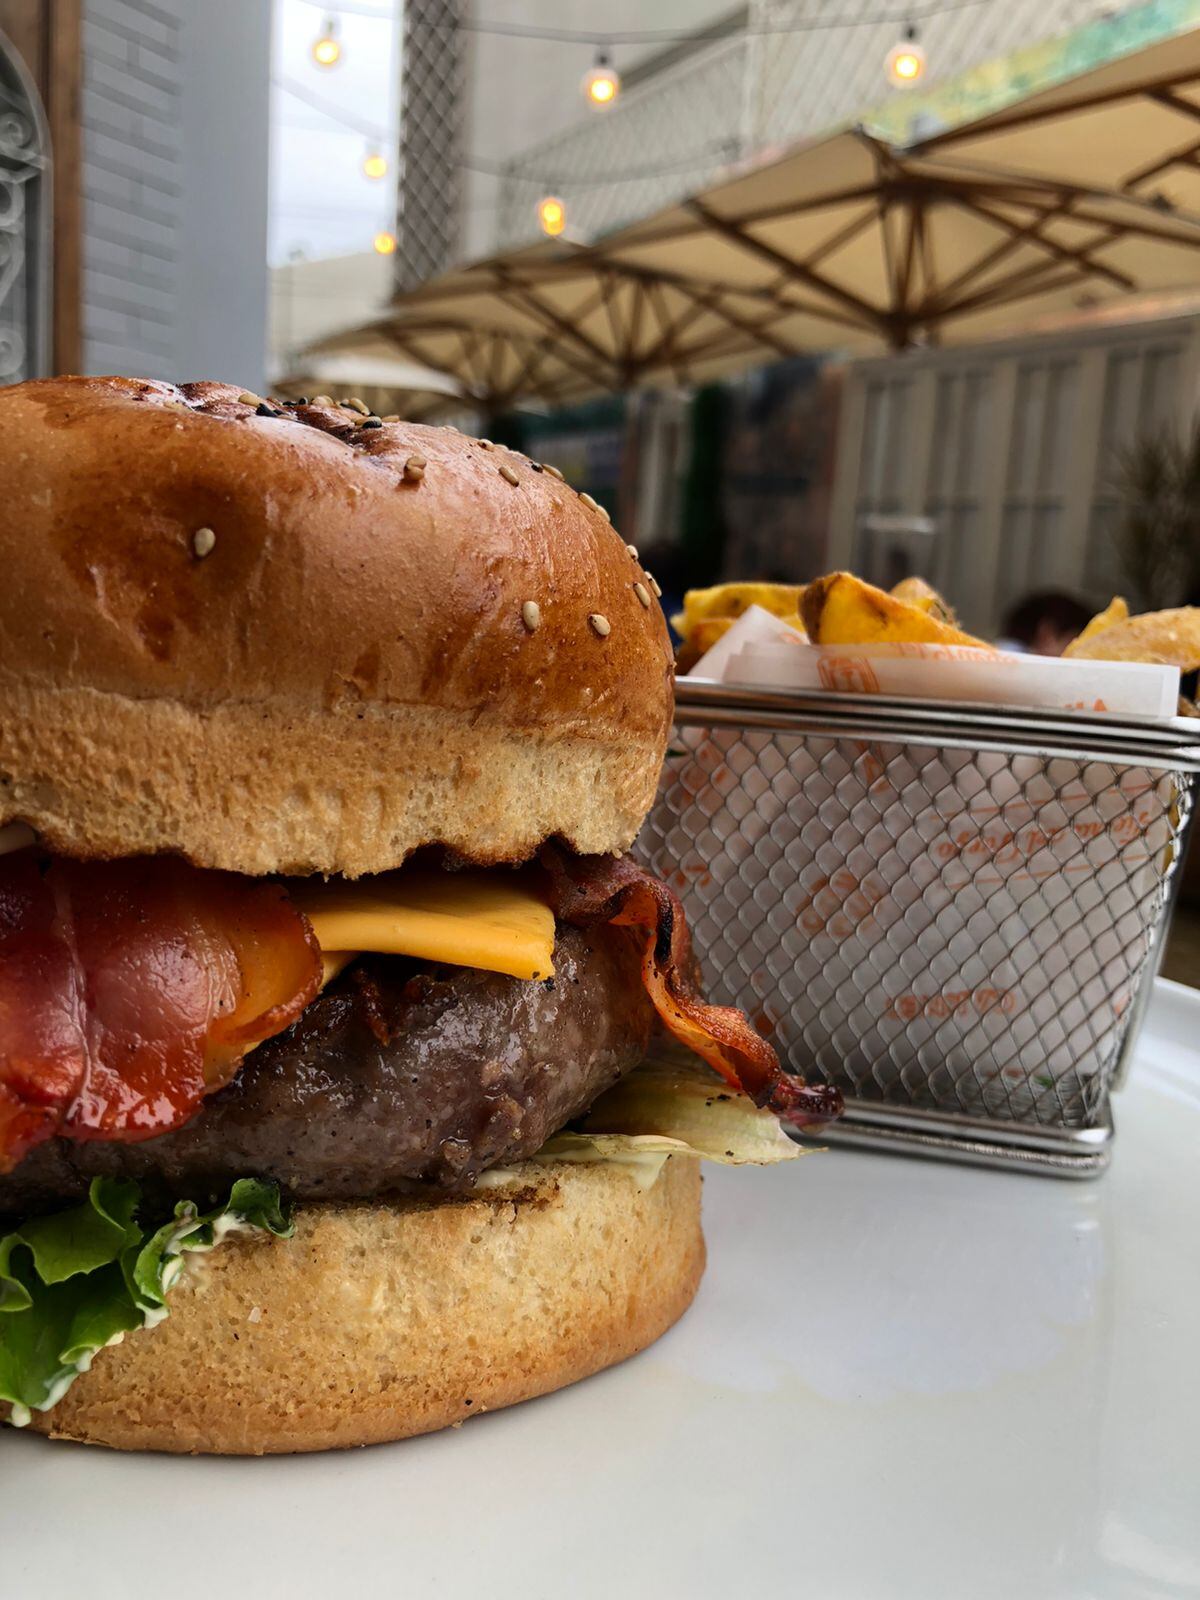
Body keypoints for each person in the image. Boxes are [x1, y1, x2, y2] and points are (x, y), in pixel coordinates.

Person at [999, 591, 1093, 656]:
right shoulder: (1020, 670)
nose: (1081, 651)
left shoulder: (995, 656)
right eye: (1076, 641)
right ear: (1047, 634)